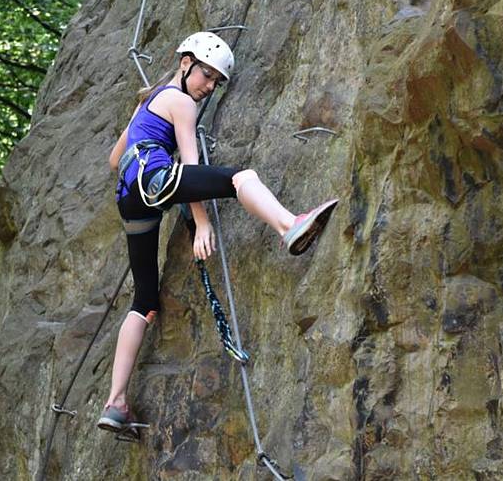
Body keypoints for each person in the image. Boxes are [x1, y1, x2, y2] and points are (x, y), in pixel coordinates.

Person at [97, 32, 338, 438]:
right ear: (185, 63)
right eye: (207, 75)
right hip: (156, 182)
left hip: (130, 198)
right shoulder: (181, 102)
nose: (209, 86)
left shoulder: (149, 100)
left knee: (144, 300)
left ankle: (115, 402)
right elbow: (190, 165)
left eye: (216, 82)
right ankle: (289, 225)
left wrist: (154, 146)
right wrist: (202, 223)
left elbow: (113, 159)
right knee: (241, 177)